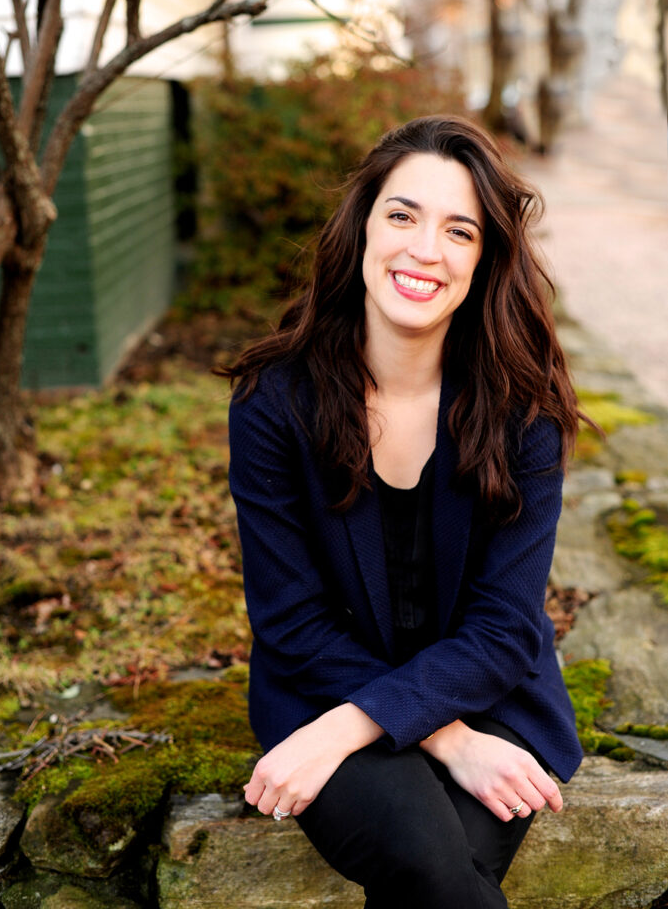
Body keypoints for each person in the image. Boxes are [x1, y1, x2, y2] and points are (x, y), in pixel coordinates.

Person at [225, 115, 584, 907]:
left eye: (459, 230)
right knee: (431, 866)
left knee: (433, 874)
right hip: (324, 689)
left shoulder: (524, 414)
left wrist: (449, 731)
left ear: (483, 261)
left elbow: (503, 628)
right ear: (361, 230)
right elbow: (291, 620)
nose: (425, 250)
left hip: (489, 698)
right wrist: (433, 738)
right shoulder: (273, 404)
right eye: (402, 215)